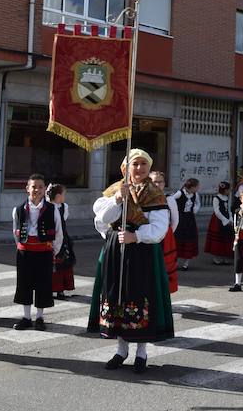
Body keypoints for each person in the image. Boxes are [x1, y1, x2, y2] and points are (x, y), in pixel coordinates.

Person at [88, 149, 173, 374]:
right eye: (135, 164)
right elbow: (101, 220)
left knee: (140, 297)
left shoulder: (155, 194)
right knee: (117, 298)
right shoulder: (114, 190)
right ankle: (121, 349)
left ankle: (141, 352)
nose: (139, 168)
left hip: (142, 253)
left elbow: (160, 228)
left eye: (143, 164)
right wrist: (117, 199)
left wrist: (136, 236)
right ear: (125, 168)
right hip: (116, 251)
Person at [11, 174, 63, 331]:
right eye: (34, 187)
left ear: (45, 189)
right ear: (27, 188)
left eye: (40, 187)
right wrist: (21, 246)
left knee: (43, 284)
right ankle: (26, 317)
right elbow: (15, 231)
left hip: (44, 252)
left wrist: (53, 251)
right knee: (24, 284)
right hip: (25, 252)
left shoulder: (52, 209)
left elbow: (59, 232)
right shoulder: (18, 209)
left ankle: (40, 318)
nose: (37, 190)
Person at [149, 171, 178, 293]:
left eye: (160, 182)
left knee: (164, 265)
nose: (157, 184)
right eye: (154, 182)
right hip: (148, 235)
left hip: (165, 236)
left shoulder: (169, 199)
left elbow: (175, 220)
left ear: (164, 183)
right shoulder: (144, 197)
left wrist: (167, 234)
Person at [47, 183, 75, 301]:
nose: (65, 197)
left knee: (63, 265)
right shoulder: (48, 207)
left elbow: (63, 220)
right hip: (50, 238)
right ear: (58, 196)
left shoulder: (64, 207)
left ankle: (60, 289)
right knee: (51, 266)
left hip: (63, 239)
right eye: (64, 194)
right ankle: (50, 288)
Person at [171, 178, 201, 271]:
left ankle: (186, 264)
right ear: (191, 187)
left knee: (189, 239)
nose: (198, 188)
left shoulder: (195, 194)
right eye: (197, 187)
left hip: (190, 220)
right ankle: (174, 263)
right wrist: (174, 211)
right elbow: (171, 200)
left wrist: (194, 210)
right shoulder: (180, 193)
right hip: (180, 219)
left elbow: (198, 204)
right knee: (178, 239)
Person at [204, 181, 234, 265]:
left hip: (226, 218)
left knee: (226, 237)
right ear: (225, 190)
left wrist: (230, 219)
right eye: (229, 190)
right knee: (218, 238)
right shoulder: (216, 198)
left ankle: (225, 256)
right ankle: (216, 257)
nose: (230, 191)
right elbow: (217, 212)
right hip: (218, 220)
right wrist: (225, 220)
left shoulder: (227, 198)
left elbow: (229, 209)